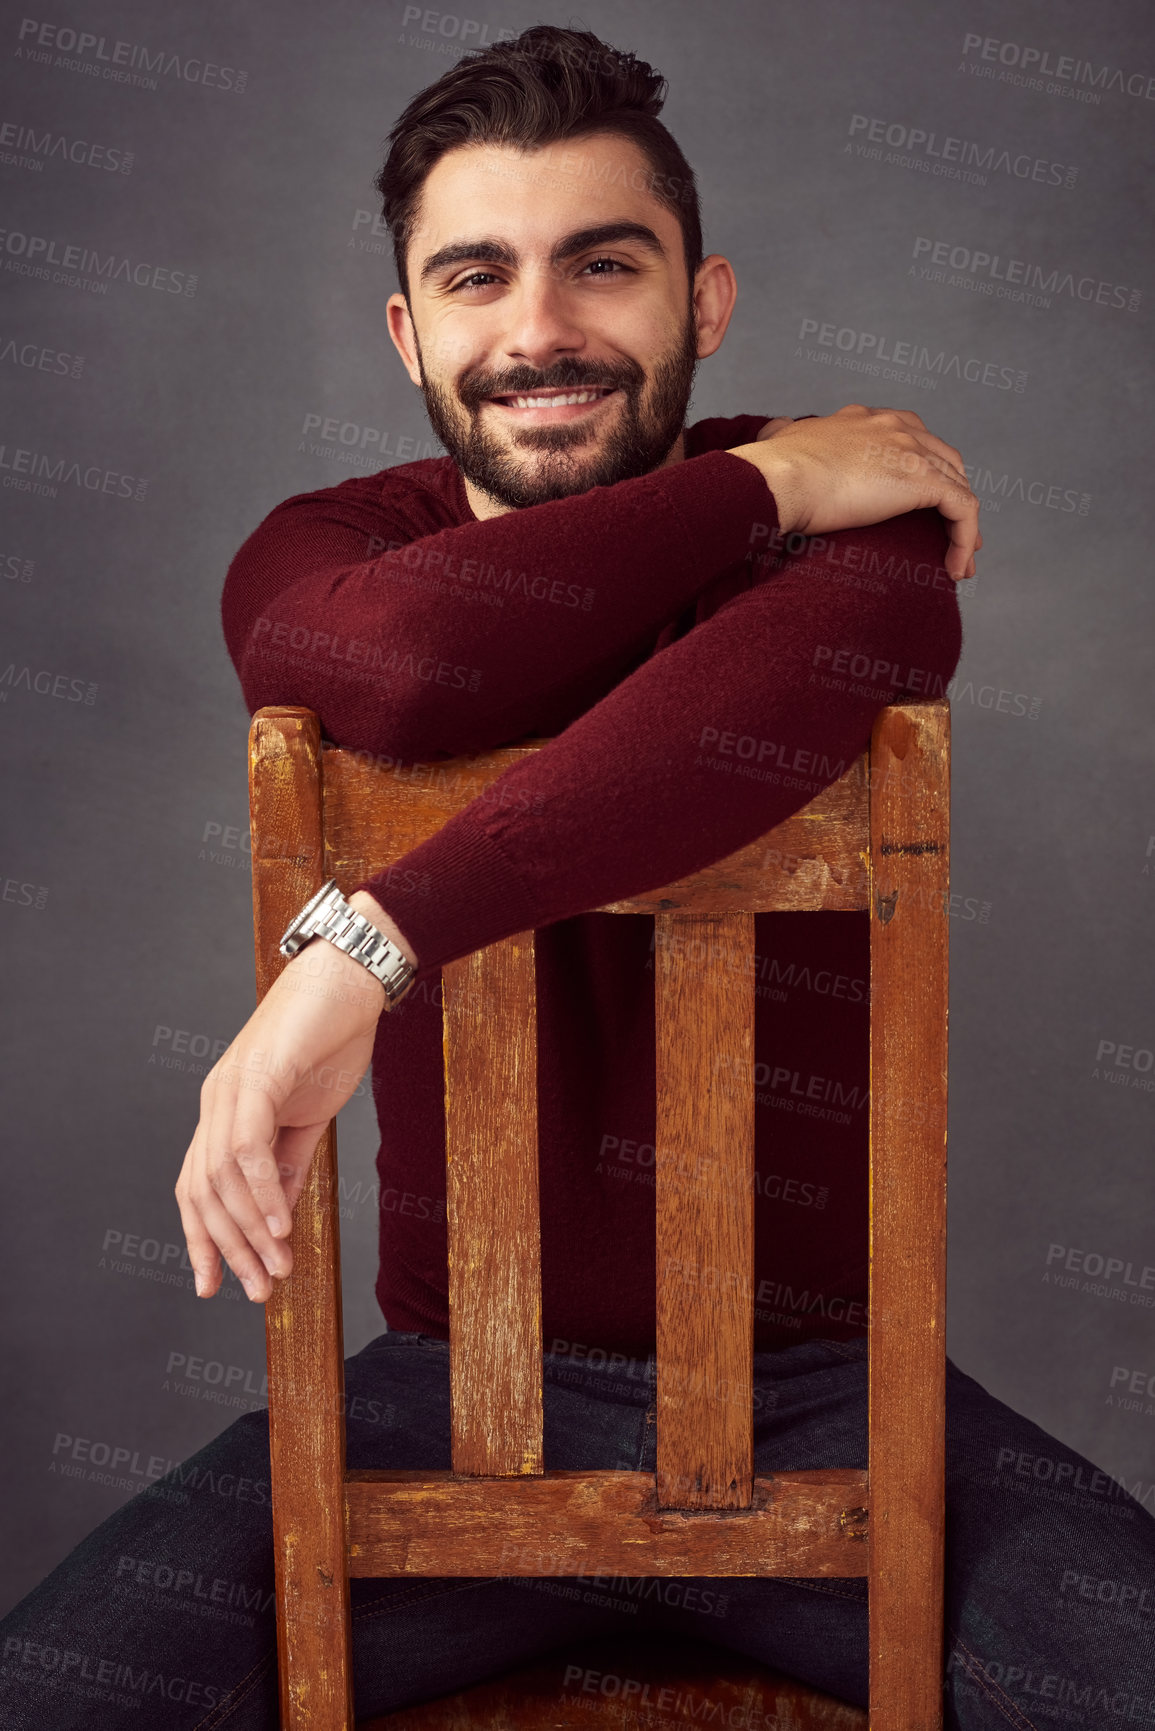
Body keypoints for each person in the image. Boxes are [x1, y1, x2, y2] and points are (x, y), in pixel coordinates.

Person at [3, 24, 1151, 1731]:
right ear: (409, 331)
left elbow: (879, 623)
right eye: (477, 277)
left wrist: (360, 948)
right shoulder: (337, 553)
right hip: (436, 1402)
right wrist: (764, 479)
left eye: (603, 266)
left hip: (838, 1403)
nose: (539, 331)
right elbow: (399, 671)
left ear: (706, 300)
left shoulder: (874, 526)